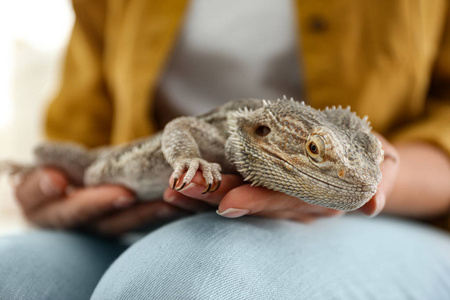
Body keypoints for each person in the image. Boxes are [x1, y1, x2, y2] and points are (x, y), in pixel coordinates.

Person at [1, 0, 450, 299]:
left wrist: (389, 174)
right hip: (147, 205)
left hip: (401, 216)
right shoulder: (219, 134)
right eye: (313, 148)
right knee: (13, 274)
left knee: (183, 280)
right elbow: (83, 123)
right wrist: (51, 195)